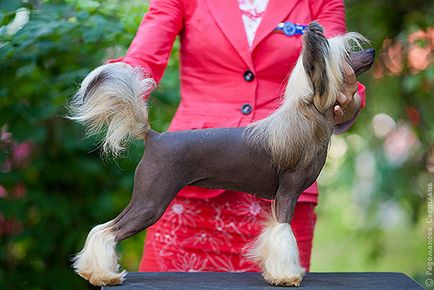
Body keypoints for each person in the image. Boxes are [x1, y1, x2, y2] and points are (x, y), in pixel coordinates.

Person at [109, 0, 366, 272]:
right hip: (190, 184)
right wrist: (120, 82)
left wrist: (346, 99)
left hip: (286, 185)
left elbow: (344, 75)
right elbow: (143, 61)